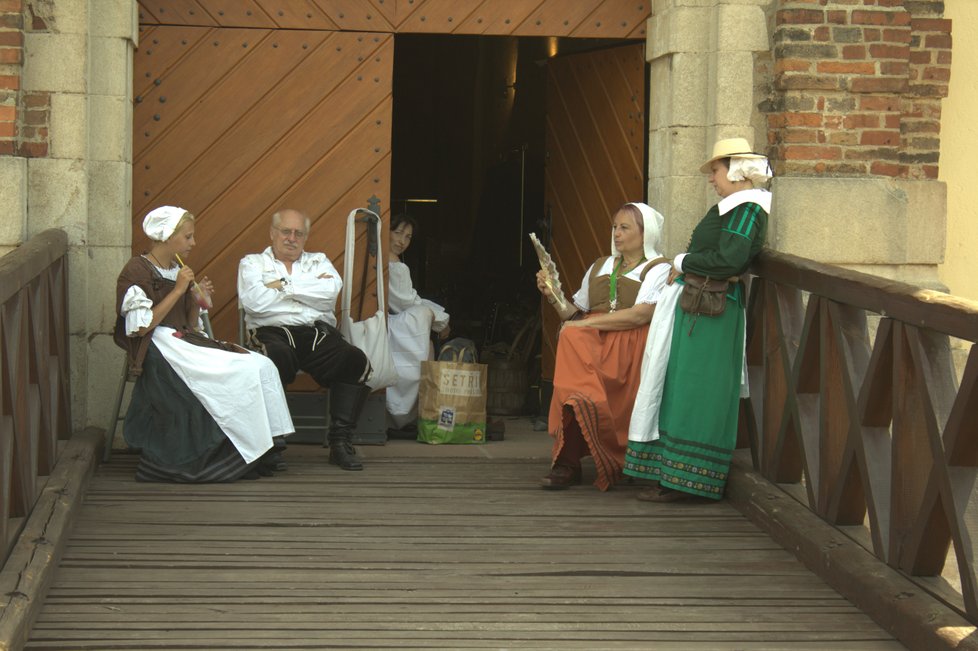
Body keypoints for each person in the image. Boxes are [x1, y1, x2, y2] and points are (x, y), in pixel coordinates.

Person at [624, 137, 773, 502]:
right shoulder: (734, 207)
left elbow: (729, 261)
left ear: (738, 170)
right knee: (684, 386)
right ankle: (673, 477)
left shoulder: (749, 208)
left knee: (700, 390)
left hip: (715, 310)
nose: (712, 178)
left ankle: (692, 483)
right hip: (702, 304)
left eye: (716, 170)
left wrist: (681, 262)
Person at [114, 206, 295, 483]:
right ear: (166, 236)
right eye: (187, 237)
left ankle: (268, 445)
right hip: (157, 346)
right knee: (240, 372)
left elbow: (187, 322)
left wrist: (197, 301)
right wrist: (178, 290)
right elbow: (141, 326)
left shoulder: (175, 269)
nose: (192, 243)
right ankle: (236, 451)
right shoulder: (136, 270)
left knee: (261, 364)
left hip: (182, 341)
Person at [537, 202, 671, 491]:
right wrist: (552, 294)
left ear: (646, 233)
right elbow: (571, 313)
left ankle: (617, 457)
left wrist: (583, 325)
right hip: (590, 343)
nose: (616, 234)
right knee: (573, 390)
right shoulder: (600, 265)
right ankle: (566, 462)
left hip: (628, 345)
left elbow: (641, 315)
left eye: (624, 227)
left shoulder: (658, 268)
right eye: (614, 227)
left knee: (574, 340)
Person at [238, 208, 371, 471]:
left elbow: (328, 294)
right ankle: (270, 445)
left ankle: (339, 442)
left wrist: (282, 286)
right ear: (273, 233)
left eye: (299, 233)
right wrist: (308, 287)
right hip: (272, 332)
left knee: (354, 360)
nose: (292, 238)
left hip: (316, 333)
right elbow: (255, 303)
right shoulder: (252, 263)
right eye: (286, 231)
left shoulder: (318, 261)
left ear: (306, 237)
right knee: (272, 359)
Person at [386, 213, 451, 429]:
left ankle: (426, 409)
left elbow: (410, 298)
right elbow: (405, 302)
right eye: (397, 233)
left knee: (428, 335)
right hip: (390, 325)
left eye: (408, 237)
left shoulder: (393, 263)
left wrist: (437, 316)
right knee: (426, 334)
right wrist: (438, 318)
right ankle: (423, 412)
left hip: (391, 321)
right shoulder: (394, 266)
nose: (401, 241)